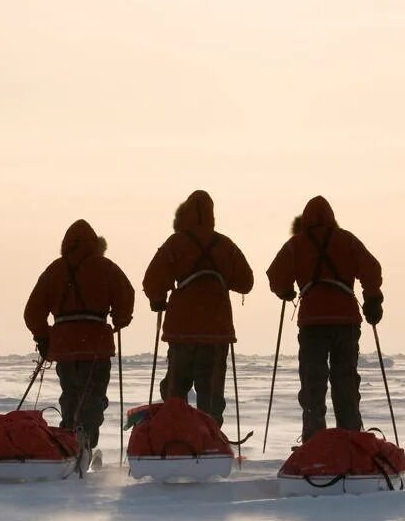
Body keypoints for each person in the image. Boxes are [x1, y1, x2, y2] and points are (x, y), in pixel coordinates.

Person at [266, 196, 383, 443]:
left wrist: (286, 291)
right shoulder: (346, 240)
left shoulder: (296, 244)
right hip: (346, 320)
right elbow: (371, 268)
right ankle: (351, 437)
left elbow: (275, 275)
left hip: (312, 321)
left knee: (313, 381)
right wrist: (373, 298)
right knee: (346, 380)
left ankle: (313, 438)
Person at [24, 219, 135, 460]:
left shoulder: (54, 270)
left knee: (71, 394)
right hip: (95, 343)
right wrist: (120, 319)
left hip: (64, 346)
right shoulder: (105, 267)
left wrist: (43, 338)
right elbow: (126, 295)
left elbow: (32, 311)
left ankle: (69, 438)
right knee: (93, 395)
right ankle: (83, 438)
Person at [141, 190, 254, 425]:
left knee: (175, 390)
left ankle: (174, 435)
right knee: (211, 395)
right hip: (216, 332)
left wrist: (158, 300)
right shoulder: (225, 245)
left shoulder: (176, 243)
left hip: (181, 331)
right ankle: (209, 439)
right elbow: (246, 282)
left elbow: (152, 280)